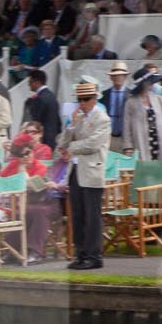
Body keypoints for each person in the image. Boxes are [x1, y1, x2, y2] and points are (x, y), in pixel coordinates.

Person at [60, 77, 109, 270]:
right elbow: (62, 142)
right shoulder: (78, 117)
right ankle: (81, 254)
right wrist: (71, 125)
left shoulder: (102, 119)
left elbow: (92, 144)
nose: (82, 103)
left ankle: (94, 256)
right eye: (80, 99)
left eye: (86, 99)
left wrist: (71, 147)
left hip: (91, 171)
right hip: (75, 171)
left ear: (95, 98)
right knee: (77, 215)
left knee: (92, 216)